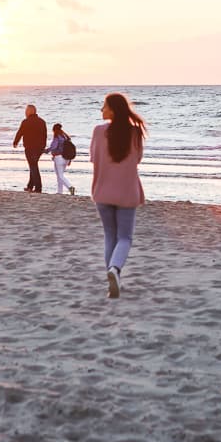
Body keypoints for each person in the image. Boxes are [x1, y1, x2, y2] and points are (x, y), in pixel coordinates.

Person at [90, 93, 146, 299]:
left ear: (113, 110)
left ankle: (112, 280)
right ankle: (115, 269)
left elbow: (94, 158)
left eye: (104, 106)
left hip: (103, 191)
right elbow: (138, 159)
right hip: (127, 192)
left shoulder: (98, 131)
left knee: (110, 237)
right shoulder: (135, 133)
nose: (101, 110)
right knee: (124, 237)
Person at [13, 104, 47, 193]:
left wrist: (15, 142)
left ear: (29, 112)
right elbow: (45, 136)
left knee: (33, 166)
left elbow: (20, 133)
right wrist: (43, 147)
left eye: (26, 110)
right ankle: (30, 186)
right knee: (33, 165)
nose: (25, 112)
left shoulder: (26, 122)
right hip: (39, 148)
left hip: (30, 147)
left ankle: (38, 188)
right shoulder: (42, 122)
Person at [46, 123, 75, 195]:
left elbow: (54, 147)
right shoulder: (66, 137)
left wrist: (46, 150)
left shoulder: (57, 136)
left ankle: (70, 187)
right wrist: (70, 160)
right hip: (66, 158)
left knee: (60, 175)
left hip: (59, 157)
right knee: (60, 175)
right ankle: (60, 191)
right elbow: (70, 148)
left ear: (54, 130)